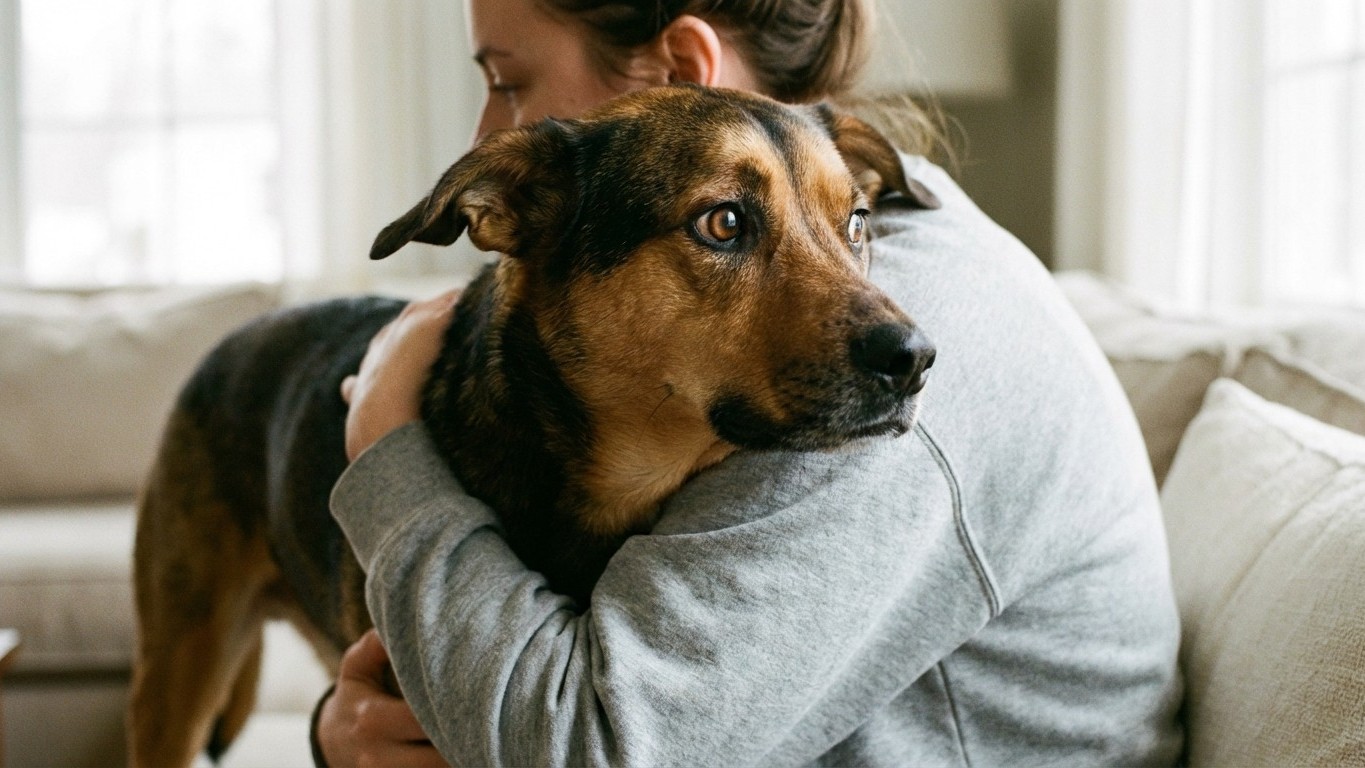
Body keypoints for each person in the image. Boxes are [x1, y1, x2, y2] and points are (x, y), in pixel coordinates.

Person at [315, 0, 1185, 765]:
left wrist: (387, 452)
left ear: (680, 72)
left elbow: (593, 750)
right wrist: (348, 726)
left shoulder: (924, 327)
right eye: (728, 226)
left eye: (509, 81)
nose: (485, 134)